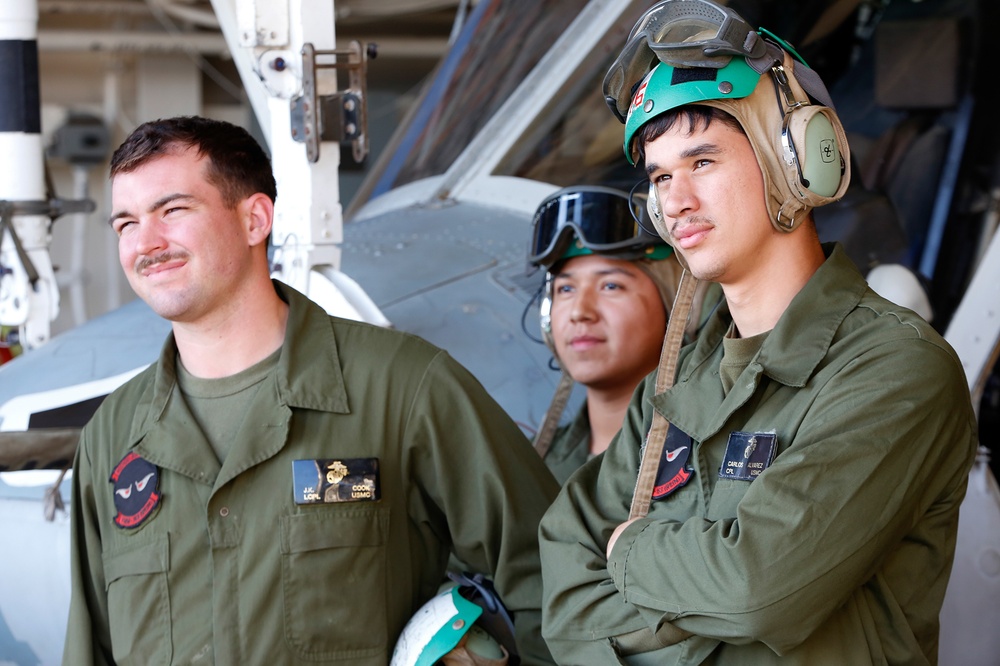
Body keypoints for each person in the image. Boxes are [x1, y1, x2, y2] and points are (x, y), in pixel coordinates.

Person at [539, 1, 978, 664]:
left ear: (798, 157)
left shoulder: (894, 370)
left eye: (704, 163)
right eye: (661, 176)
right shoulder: (678, 377)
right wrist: (691, 603)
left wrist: (626, 547)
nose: (675, 201)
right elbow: (566, 592)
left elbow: (755, 588)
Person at [63, 116, 559, 665]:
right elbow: (93, 647)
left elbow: (551, 578)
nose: (146, 243)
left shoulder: (402, 388)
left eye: (173, 210)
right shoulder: (114, 435)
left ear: (254, 219)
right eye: (126, 223)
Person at [527, 185, 718, 484]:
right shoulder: (530, 466)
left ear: (680, 310)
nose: (580, 312)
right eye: (565, 289)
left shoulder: (712, 458)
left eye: (611, 286)